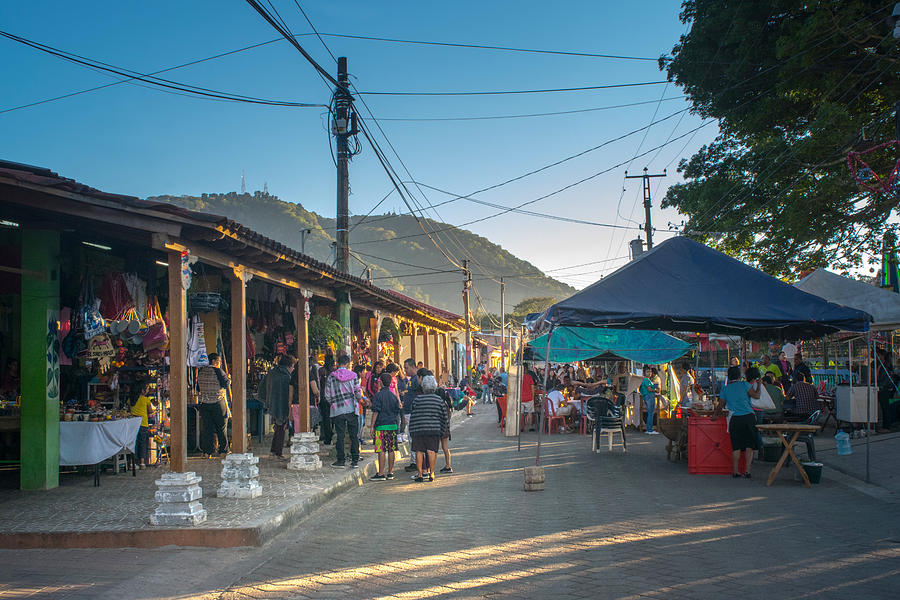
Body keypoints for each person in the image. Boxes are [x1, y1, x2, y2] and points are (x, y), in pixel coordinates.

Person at [720, 365, 760, 478]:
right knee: (749, 445)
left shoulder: (725, 389)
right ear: (739, 376)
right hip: (749, 417)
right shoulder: (745, 385)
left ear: (728, 376)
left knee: (736, 446)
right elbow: (756, 396)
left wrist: (715, 415)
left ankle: (735, 471)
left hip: (735, 419)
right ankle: (747, 470)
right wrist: (760, 385)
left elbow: (720, 405)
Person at [408, 375, 449, 482]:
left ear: (423, 387)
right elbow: (444, 417)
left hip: (419, 429)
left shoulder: (417, 399)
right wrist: (442, 430)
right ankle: (432, 473)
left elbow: (413, 414)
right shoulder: (439, 400)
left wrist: (411, 429)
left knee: (419, 451)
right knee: (432, 451)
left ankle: (420, 474)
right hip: (434, 429)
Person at [324, 354, 362, 468]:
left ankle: (341, 460)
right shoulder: (354, 375)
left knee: (339, 435)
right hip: (351, 409)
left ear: (337, 363)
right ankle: (355, 460)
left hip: (337, 410)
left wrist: (333, 402)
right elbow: (358, 393)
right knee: (353, 436)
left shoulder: (331, 377)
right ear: (347, 364)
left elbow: (327, 395)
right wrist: (360, 400)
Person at [260, 354, 295, 460]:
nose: (293, 369)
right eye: (293, 366)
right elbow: (288, 393)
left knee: (278, 427)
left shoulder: (271, 373)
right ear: (289, 366)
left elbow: (262, 387)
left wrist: (267, 399)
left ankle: (274, 450)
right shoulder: (286, 376)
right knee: (281, 428)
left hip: (272, 402)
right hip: (282, 404)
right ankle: (277, 452)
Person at [368, 372, 400, 481]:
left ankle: (381, 473)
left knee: (380, 449)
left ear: (380, 382)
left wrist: (372, 426)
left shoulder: (378, 396)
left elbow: (375, 412)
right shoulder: (394, 396)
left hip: (380, 426)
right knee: (391, 449)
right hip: (392, 425)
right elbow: (397, 411)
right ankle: (390, 472)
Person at [197, 353, 230, 457]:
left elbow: (198, 388)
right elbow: (225, 384)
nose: (219, 363)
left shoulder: (201, 371)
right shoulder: (218, 371)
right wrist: (229, 379)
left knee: (207, 429)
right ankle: (223, 451)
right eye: (218, 361)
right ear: (214, 361)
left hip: (204, 403)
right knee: (221, 427)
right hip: (217, 402)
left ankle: (207, 452)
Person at [399, 359, 420, 472]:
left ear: (412, 367)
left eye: (406, 368)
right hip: (408, 412)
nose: (405, 370)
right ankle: (414, 461)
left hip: (413, 413)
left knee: (413, 438)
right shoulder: (411, 379)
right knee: (411, 438)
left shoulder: (416, 379)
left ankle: (416, 462)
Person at [131, 383, 157, 469]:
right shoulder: (145, 400)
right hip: (143, 424)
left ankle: (133, 463)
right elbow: (150, 411)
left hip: (133, 424)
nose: (147, 390)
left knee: (133, 443)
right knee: (142, 443)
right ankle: (142, 463)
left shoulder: (130, 399)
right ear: (142, 390)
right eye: (146, 389)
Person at [317, 354, 335, 445]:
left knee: (326, 418)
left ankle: (327, 437)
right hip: (334, 397)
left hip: (324, 397)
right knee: (335, 417)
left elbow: (318, 384)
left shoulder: (321, 370)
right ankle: (335, 436)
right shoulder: (334, 371)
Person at [639, 366, 660, 434]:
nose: (649, 373)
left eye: (650, 371)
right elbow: (649, 389)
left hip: (648, 396)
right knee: (650, 413)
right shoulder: (646, 380)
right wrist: (656, 390)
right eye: (647, 372)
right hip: (649, 396)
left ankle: (649, 429)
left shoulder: (647, 380)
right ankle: (649, 429)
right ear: (644, 373)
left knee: (650, 413)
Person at [520, 366, 537, 431]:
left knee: (521, 413)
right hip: (529, 397)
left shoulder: (519, 377)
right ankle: (530, 427)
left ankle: (522, 427)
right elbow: (532, 387)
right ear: (526, 370)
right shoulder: (529, 377)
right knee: (530, 412)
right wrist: (532, 397)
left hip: (521, 398)